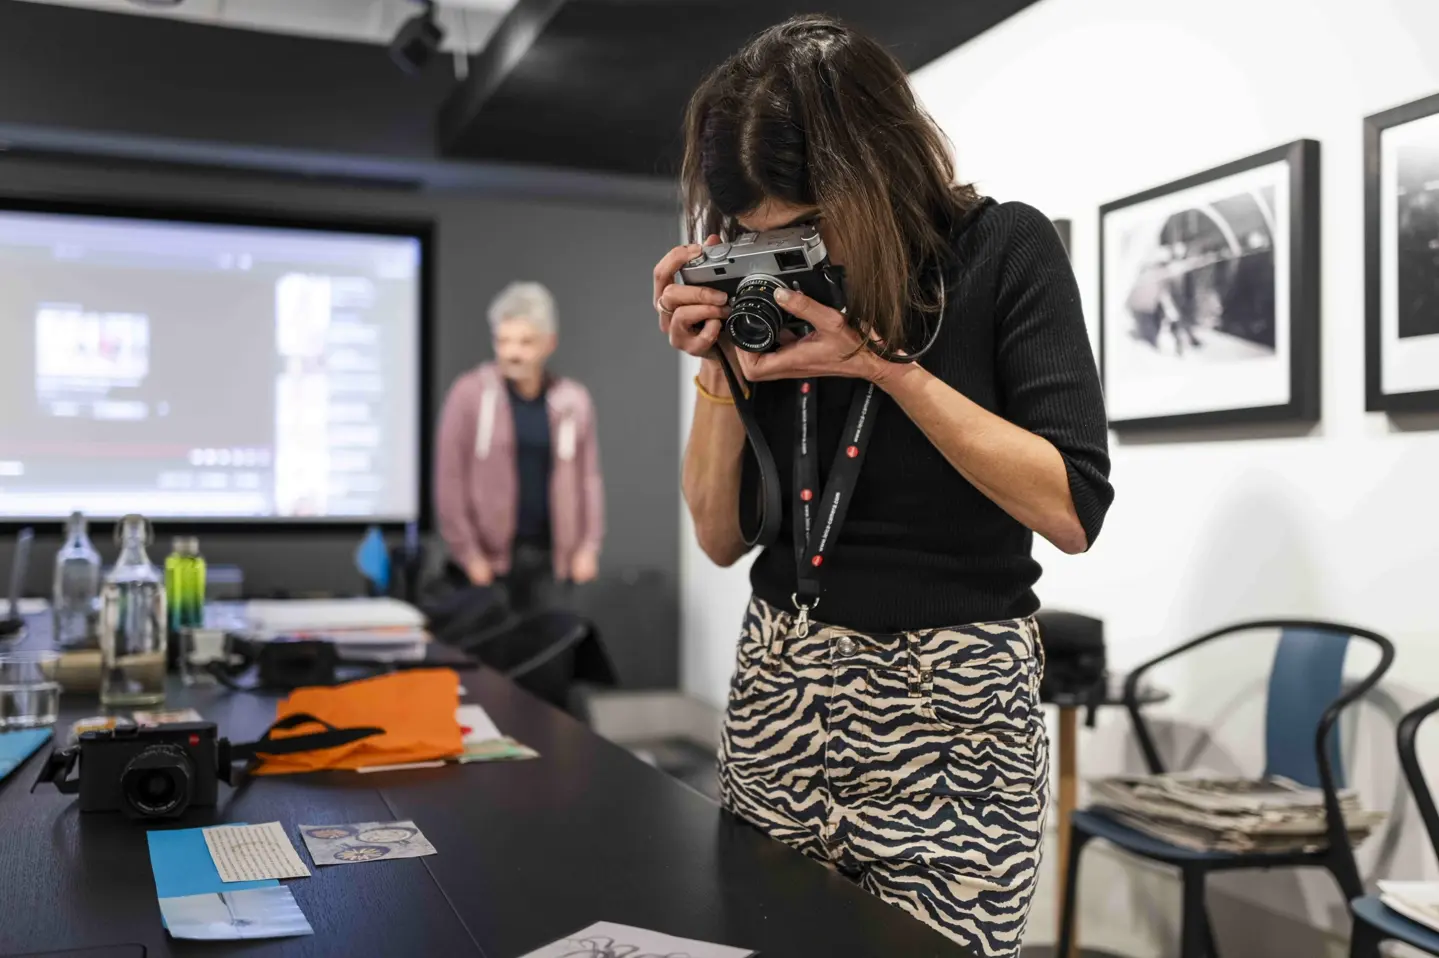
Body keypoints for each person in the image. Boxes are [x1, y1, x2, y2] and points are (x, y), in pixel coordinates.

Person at [653, 16, 1112, 958]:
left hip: (952, 706)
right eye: (752, 235)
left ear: (875, 172)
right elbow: (714, 534)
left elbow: (1069, 509)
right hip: (781, 680)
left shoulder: (1000, 252)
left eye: (807, 230)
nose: (788, 257)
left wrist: (882, 366)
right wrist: (715, 361)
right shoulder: (767, 292)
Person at [436, 281, 603, 612]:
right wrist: (469, 555)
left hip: (550, 559)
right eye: (504, 341)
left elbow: (589, 479)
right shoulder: (469, 394)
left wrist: (588, 547)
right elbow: (449, 480)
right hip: (488, 563)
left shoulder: (572, 401)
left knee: (546, 653)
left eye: (526, 342)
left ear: (549, 343)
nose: (513, 352)